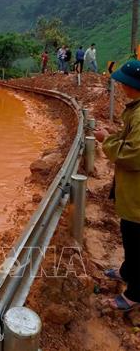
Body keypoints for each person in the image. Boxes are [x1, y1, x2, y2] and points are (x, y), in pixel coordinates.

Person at [95, 60, 140, 311]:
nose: (121, 85)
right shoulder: (135, 109)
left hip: (137, 193)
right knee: (128, 233)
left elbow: (135, 154)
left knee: (136, 239)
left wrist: (106, 141)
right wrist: (114, 136)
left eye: (124, 82)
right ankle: (127, 271)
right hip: (132, 191)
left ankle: (134, 294)